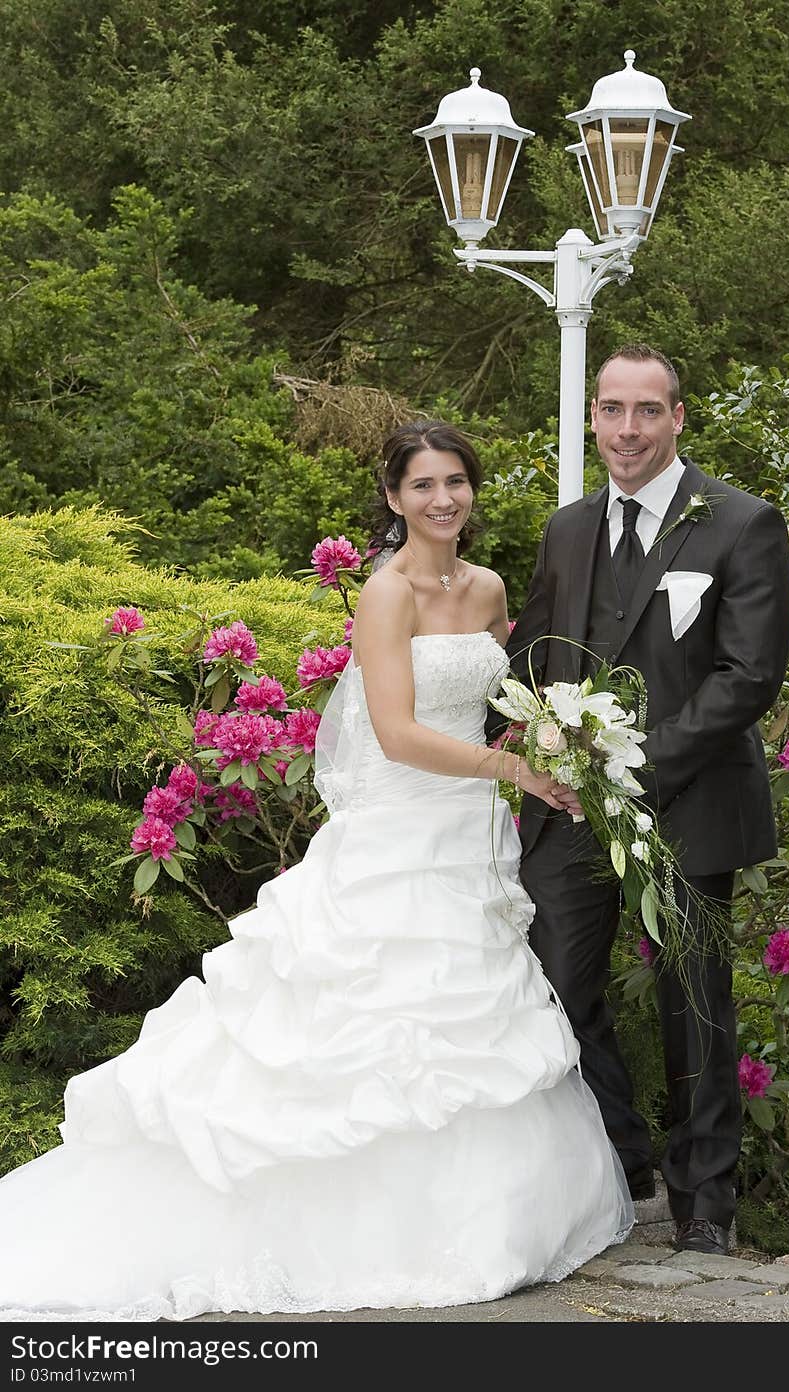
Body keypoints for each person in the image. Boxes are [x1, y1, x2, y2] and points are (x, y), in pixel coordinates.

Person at [0, 420, 632, 1321]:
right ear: (392, 497)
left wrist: (552, 734)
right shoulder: (385, 593)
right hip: (401, 832)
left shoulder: (490, 586)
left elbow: (507, 693)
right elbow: (402, 731)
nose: (443, 499)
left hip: (474, 836)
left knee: (470, 1020)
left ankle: (479, 1220)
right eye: (423, 485)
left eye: (456, 482)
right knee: (376, 1017)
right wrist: (514, 768)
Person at [503, 345, 789, 1256]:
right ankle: (621, 1155)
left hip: (689, 801)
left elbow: (749, 676)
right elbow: (536, 651)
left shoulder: (741, 524)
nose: (627, 430)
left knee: (694, 1000)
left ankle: (705, 1204)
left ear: (677, 417)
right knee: (550, 984)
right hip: (572, 807)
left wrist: (636, 766)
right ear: (594, 417)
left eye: (646, 411)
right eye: (611, 411)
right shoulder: (567, 528)